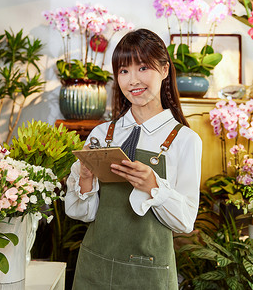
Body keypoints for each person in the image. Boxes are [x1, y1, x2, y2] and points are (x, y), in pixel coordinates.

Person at [65, 28, 202, 290]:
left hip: (149, 275)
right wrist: (84, 179)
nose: (133, 80)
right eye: (124, 71)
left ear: (164, 70)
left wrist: (154, 187)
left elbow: (185, 222)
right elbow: (83, 213)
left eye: (142, 68)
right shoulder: (102, 134)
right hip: (95, 267)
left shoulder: (185, 140)